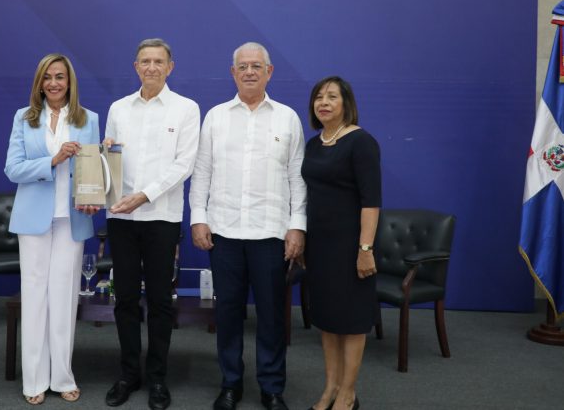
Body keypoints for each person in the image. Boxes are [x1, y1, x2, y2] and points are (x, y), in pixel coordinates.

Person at [189, 42, 306, 410]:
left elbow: (297, 178)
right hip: (223, 232)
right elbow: (202, 172)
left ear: (269, 72)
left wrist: (297, 226)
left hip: (271, 234)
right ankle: (231, 384)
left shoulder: (287, 118)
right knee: (227, 314)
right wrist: (198, 218)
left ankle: (272, 388)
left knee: (272, 316)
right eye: (243, 66)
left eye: (257, 66)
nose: (250, 72)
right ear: (233, 72)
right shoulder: (216, 117)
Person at [103, 38, 200, 410]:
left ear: (170, 67)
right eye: (145, 61)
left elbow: (184, 166)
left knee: (160, 301)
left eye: (159, 61)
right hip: (121, 218)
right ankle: (129, 373)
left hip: (161, 217)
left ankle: (158, 377)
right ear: (135, 66)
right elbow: (112, 160)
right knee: (124, 298)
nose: (152, 67)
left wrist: (144, 195)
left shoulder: (186, 109)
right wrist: (103, 162)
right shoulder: (118, 108)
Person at [4, 53, 100, 405]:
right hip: (33, 219)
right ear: (39, 83)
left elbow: (93, 168)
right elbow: (12, 169)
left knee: (64, 299)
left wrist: (94, 196)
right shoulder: (24, 118)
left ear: (70, 81)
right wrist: (53, 160)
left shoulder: (89, 118)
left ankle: (62, 377)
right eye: (48, 77)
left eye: (60, 77)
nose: (54, 83)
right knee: (35, 298)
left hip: (71, 220)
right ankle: (33, 381)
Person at [300, 76, 381, 410]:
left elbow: (371, 201)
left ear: (346, 103)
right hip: (319, 246)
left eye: (332, 97)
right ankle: (330, 387)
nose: (324, 103)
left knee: (350, 321)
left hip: (351, 247)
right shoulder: (314, 144)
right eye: (319, 97)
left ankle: (348, 392)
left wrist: (365, 250)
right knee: (328, 320)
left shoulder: (361, 142)